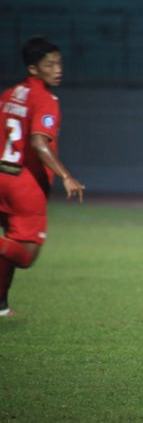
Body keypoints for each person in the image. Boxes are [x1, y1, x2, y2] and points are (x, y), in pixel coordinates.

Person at [0, 37, 85, 316]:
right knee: (26, 255)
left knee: (9, 250)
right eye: (50, 64)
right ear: (34, 69)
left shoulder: (9, 94)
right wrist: (66, 176)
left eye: (59, 62)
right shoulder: (45, 99)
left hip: (2, 174)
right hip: (25, 184)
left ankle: (0, 304)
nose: (58, 69)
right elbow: (39, 143)